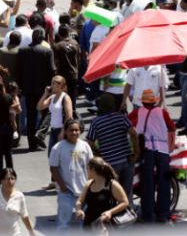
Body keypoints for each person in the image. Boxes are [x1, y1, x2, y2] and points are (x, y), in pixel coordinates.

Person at [128, 89, 176, 223]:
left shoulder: (137, 112)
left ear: (142, 101)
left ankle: (148, 215)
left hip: (147, 151)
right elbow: (172, 127)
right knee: (164, 182)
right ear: (154, 100)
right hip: (162, 150)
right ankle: (163, 214)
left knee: (147, 183)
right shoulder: (162, 112)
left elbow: (127, 122)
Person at [86, 93, 139, 201]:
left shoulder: (96, 122)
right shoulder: (121, 117)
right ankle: (128, 213)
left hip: (109, 163)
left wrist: (98, 153)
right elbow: (133, 134)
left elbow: (90, 142)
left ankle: (114, 214)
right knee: (127, 192)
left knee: (113, 192)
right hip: (126, 160)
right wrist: (137, 152)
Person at [49, 119, 93, 231]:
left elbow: (91, 166)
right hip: (66, 192)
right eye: (71, 130)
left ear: (80, 131)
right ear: (66, 131)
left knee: (84, 223)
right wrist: (63, 187)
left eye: (76, 130)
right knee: (63, 224)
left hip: (84, 192)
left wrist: (90, 185)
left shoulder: (85, 146)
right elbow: (53, 168)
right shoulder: (58, 148)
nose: (74, 133)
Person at [18, 27, 56, 151]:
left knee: (31, 115)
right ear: (43, 38)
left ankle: (32, 143)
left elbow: (19, 70)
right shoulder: (47, 51)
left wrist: (20, 85)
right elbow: (52, 70)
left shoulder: (22, 51)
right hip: (44, 89)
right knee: (47, 113)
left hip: (27, 88)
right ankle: (40, 134)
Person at [74, 157, 131, 229]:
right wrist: (78, 210)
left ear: (93, 170)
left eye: (87, 169)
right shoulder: (88, 184)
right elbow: (80, 201)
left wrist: (110, 212)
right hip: (89, 224)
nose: (86, 171)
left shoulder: (112, 184)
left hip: (107, 225)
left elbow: (125, 202)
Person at [0, 168, 36, 236]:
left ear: (15, 180)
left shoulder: (19, 196)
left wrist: (32, 233)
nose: (9, 181)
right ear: (1, 181)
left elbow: (25, 216)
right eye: (6, 178)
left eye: (12, 178)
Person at [37, 75, 74, 156]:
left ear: (61, 85)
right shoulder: (52, 97)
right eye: (52, 83)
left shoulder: (65, 98)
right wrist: (45, 94)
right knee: (51, 156)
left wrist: (63, 132)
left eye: (55, 83)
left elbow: (69, 117)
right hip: (53, 130)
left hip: (62, 130)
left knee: (62, 157)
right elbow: (39, 107)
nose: (52, 85)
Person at [52, 25, 80, 104]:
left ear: (59, 34)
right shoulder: (75, 43)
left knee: (61, 94)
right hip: (73, 72)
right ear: (68, 33)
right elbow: (79, 58)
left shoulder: (57, 46)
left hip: (62, 74)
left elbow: (56, 62)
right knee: (72, 93)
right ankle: (72, 110)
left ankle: (64, 111)